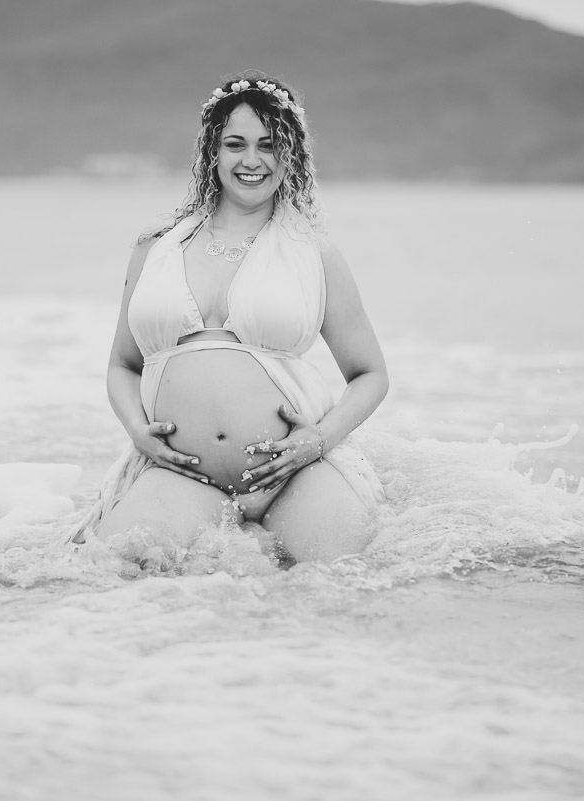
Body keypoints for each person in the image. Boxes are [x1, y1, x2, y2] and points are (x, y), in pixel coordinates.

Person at [72, 71, 388, 562]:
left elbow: (370, 374)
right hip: (181, 475)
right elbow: (122, 365)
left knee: (341, 580)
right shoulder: (154, 249)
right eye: (235, 144)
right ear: (212, 154)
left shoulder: (314, 253)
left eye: (269, 145)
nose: (252, 160)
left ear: (291, 155)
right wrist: (138, 431)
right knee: (109, 574)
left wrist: (317, 442)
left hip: (294, 473)